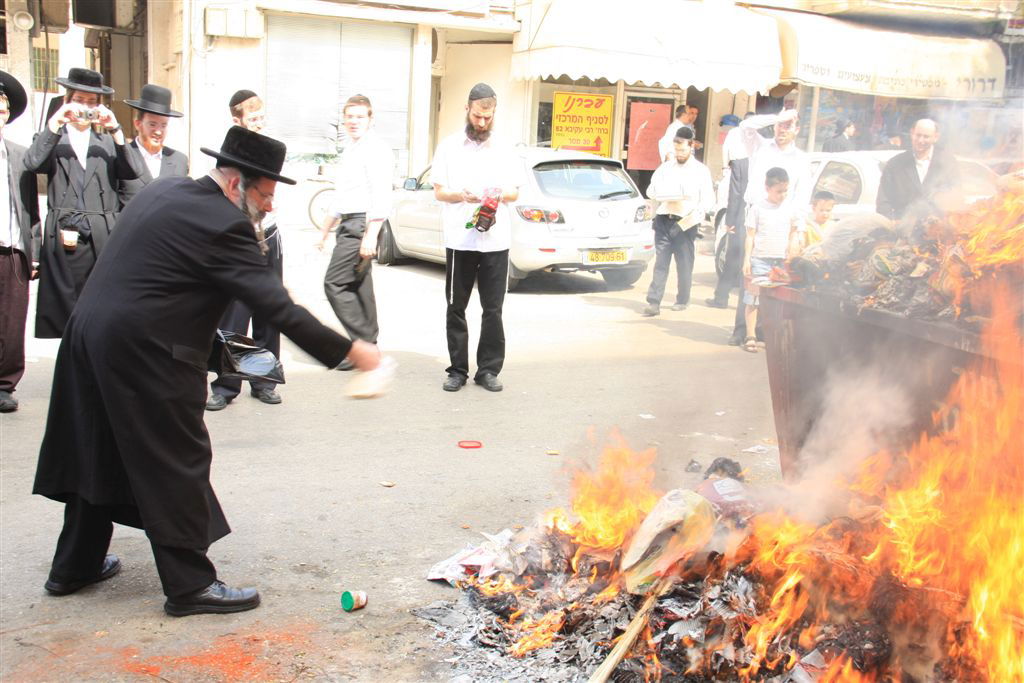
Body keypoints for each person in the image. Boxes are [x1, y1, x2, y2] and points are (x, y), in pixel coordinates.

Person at [33, 126, 382, 617]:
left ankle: (74, 566)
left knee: (102, 445)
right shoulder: (224, 223)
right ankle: (189, 585)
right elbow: (275, 306)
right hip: (142, 351)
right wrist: (352, 352)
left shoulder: (167, 189)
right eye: (266, 193)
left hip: (89, 336)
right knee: (175, 459)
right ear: (237, 183)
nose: (271, 205)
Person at [25, 67, 143, 339]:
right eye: (79, 100)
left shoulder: (106, 141)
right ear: (68, 100)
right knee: (66, 317)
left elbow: (133, 171)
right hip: (63, 236)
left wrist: (115, 128)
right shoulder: (53, 138)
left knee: (100, 313)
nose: (85, 109)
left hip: (101, 235)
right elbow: (32, 163)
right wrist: (55, 123)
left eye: (93, 103)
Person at [431, 82, 525, 393]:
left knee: (493, 309)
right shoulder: (448, 146)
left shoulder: (505, 147)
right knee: (456, 306)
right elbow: (439, 191)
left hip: (496, 240)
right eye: (476, 116)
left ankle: (488, 370)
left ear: (494, 114)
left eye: (487, 117)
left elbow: (515, 191)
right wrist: (460, 194)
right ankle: (457, 369)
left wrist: (495, 195)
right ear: (467, 110)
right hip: (460, 239)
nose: (481, 123)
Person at [207, 90, 284, 410]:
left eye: (261, 118)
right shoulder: (229, 154)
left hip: (269, 237)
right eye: (252, 119)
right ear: (236, 120)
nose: (258, 124)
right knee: (234, 317)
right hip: (238, 241)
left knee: (269, 313)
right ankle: (226, 386)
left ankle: (263, 381)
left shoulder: (273, 151)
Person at [316, 94, 392, 365]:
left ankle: (364, 348)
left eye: (360, 117)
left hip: (363, 223)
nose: (353, 122)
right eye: (349, 117)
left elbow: (381, 193)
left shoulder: (376, 149)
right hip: (349, 220)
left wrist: (371, 234)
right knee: (359, 284)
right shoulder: (351, 148)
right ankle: (367, 344)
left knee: (334, 282)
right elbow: (341, 195)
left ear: (371, 119)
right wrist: (325, 230)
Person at [0, 70, 41, 413]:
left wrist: (35, 252)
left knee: (13, 322)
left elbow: (32, 208)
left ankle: (5, 385)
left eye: (2, 106)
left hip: (13, 250)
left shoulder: (19, 155)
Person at [642, 126, 713, 316]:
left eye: (682, 150)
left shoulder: (701, 171)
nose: (679, 154)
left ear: (691, 146)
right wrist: (662, 193)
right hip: (665, 219)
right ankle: (654, 302)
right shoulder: (666, 168)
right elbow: (651, 191)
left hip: (687, 222)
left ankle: (683, 299)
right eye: (676, 150)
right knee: (661, 263)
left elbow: (707, 202)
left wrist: (687, 223)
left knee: (684, 263)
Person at [740, 167, 802, 354]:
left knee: (777, 300)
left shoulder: (790, 208)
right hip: (760, 259)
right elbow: (750, 235)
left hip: (780, 261)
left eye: (785, 191)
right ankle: (750, 335)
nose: (782, 195)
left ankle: (770, 335)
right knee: (753, 298)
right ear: (767, 188)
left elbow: (794, 231)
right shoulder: (757, 208)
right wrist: (747, 260)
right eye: (778, 191)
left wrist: (792, 249)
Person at [117, 84, 189, 208]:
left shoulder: (179, 160)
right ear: (138, 124)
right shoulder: (122, 156)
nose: (158, 131)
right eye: (152, 124)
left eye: (163, 125)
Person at [875, 118, 960, 221]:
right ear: (911, 134)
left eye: (926, 137)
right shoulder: (895, 164)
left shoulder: (947, 163)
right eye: (918, 135)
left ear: (936, 137)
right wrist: (891, 222)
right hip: (903, 230)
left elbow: (956, 194)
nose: (920, 140)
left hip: (937, 231)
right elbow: (883, 202)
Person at [738, 108, 811, 210]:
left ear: (796, 130)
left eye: (788, 126)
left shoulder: (801, 159)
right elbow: (745, 126)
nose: (782, 130)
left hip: (782, 217)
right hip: (754, 213)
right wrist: (778, 118)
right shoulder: (760, 146)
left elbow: (802, 195)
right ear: (774, 127)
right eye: (780, 125)